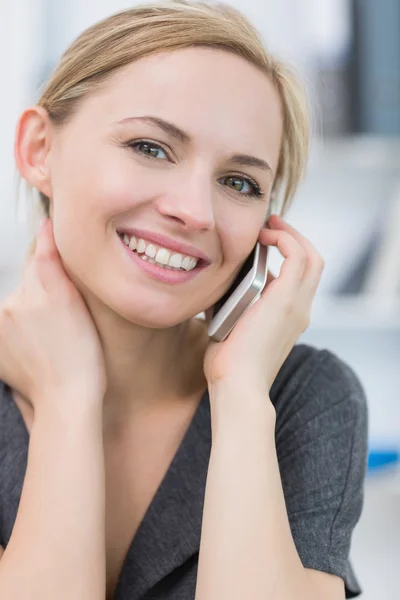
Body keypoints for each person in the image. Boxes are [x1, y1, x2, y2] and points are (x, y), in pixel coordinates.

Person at [0, 1, 368, 599]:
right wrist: (69, 398)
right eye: (150, 147)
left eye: (239, 182)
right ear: (41, 149)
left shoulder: (302, 398)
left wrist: (240, 390)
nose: (195, 212)